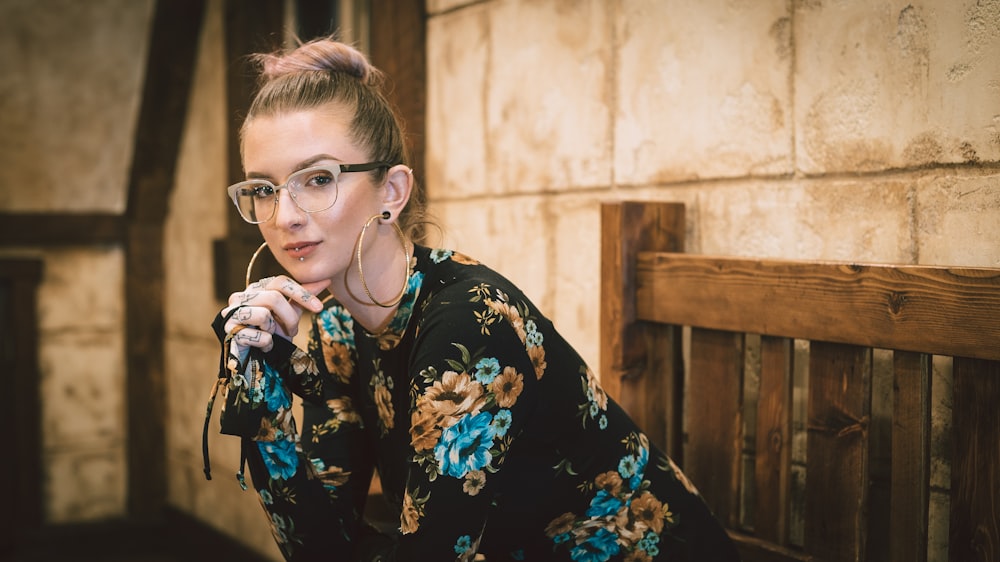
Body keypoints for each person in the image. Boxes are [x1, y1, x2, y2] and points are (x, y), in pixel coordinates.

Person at [206, 36, 741, 562]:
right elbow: (321, 546)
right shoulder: (338, 328)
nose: (285, 216)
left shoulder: (468, 324)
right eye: (263, 188)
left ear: (392, 191)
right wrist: (264, 394)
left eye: (317, 179)